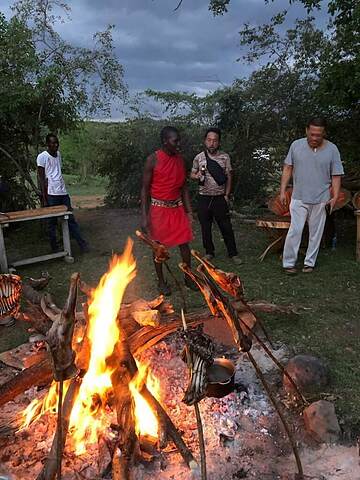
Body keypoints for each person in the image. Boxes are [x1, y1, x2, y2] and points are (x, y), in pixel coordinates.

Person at [280, 117, 344, 274]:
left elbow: (336, 175)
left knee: (316, 233)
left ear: (324, 133)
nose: (315, 138)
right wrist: (282, 190)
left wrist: (335, 196)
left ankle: (309, 262)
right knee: (295, 230)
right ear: (306, 130)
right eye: (312, 134)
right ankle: (289, 263)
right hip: (299, 196)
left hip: (321, 198)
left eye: (319, 135)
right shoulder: (296, 145)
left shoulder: (332, 149)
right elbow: (288, 167)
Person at [141, 126, 196, 295]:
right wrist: (144, 216)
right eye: (175, 140)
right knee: (158, 247)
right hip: (159, 210)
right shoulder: (153, 159)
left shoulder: (181, 160)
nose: (179, 144)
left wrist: (189, 212)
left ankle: (188, 277)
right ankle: (161, 282)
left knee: (184, 244)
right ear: (165, 141)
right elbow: (144, 189)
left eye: (179, 140)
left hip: (177, 208)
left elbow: (184, 187)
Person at [191, 127, 241, 264]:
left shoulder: (225, 157)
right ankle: (209, 252)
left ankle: (233, 254)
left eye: (215, 140)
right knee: (205, 228)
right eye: (209, 140)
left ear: (219, 142)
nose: (212, 143)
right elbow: (192, 174)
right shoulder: (199, 158)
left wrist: (227, 194)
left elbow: (230, 176)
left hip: (220, 197)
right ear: (205, 141)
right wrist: (197, 176)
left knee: (226, 226)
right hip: (204, 197)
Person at [37, 133, 89, 253]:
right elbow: (41, 178)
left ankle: (82, 244)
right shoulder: (42, 157)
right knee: (52, 222)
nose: (55, 145)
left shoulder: (58, 154)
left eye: (57, 143)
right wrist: (44, 198)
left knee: (70, 219)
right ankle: (54, 247)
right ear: (47, 144)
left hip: (62, 192)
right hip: (51, 193)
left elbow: (58, 172)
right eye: (52, 143)